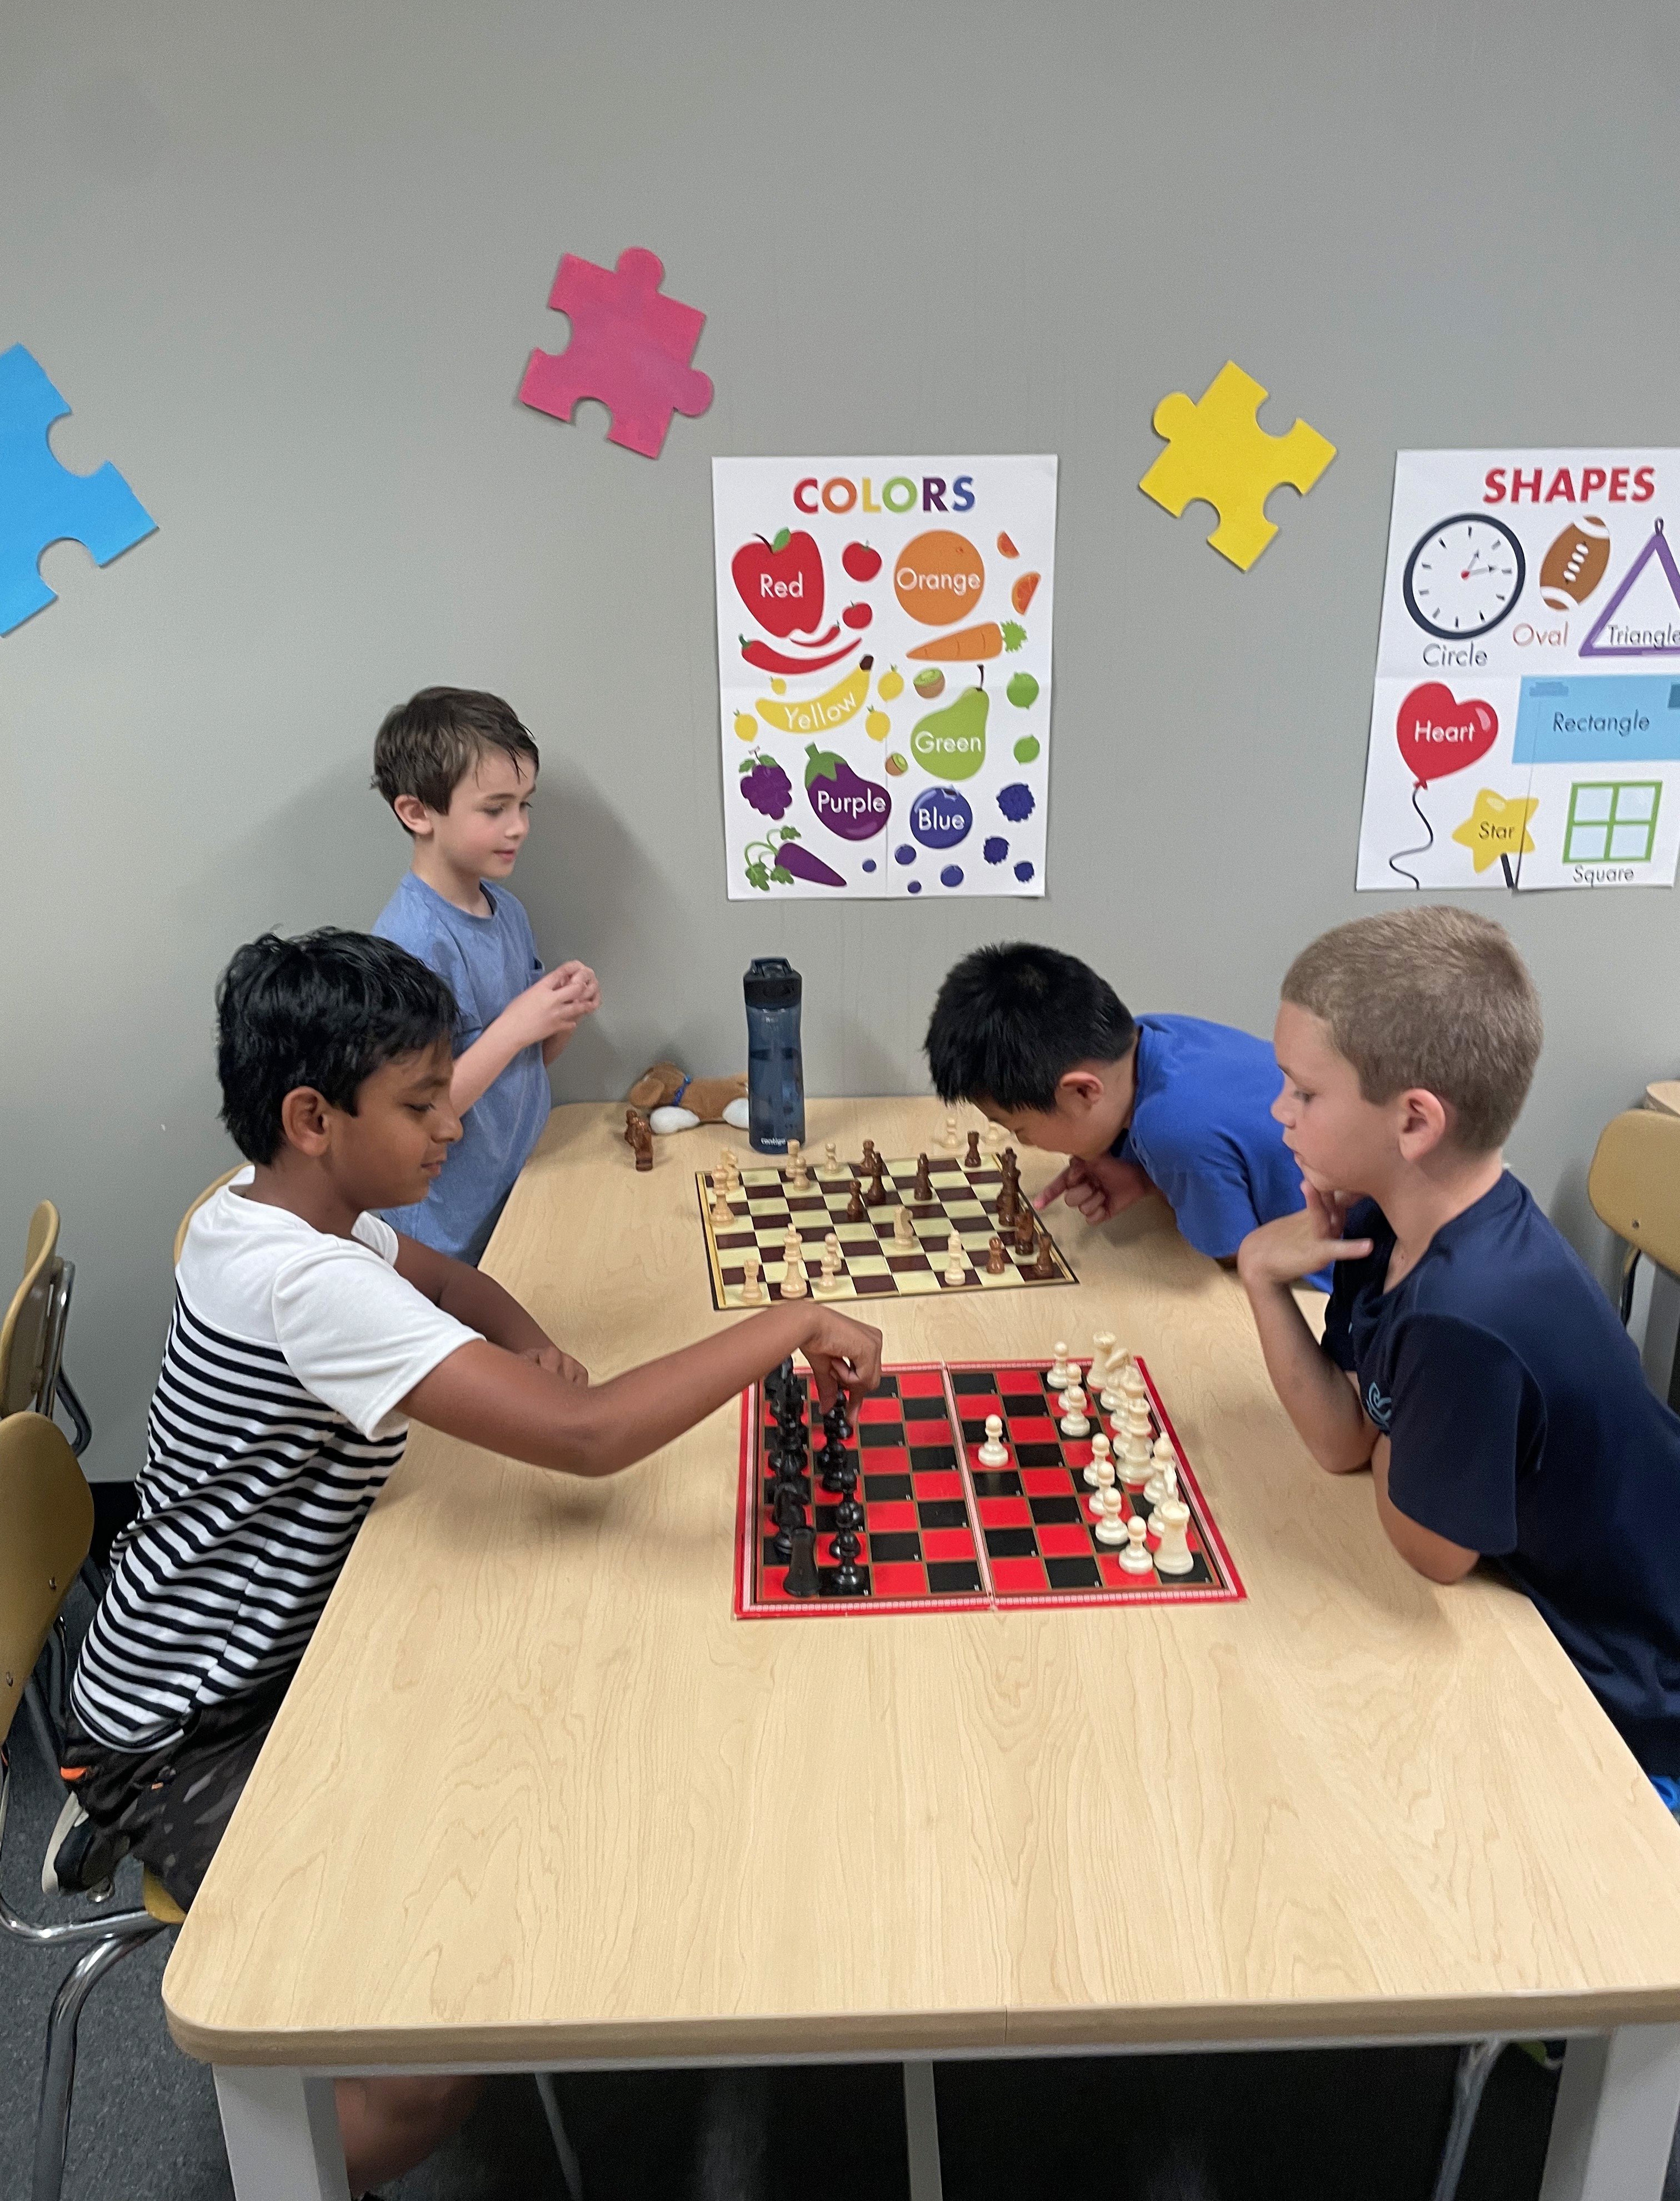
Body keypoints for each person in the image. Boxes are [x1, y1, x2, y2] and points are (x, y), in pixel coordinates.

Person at [57, 929, 881, 2197]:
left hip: (258, 1658)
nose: (453, 1126)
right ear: (313, 1117)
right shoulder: (306, 1285)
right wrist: (789, 1322)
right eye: (422, 1103)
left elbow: (451, 1278)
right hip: (183, 1730)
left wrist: (531, 1336)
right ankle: (281, 2177)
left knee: (551, 1717)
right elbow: (593, 1441)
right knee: (441, 2044)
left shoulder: (271, 1208)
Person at [1237, 906, 1680, 1785]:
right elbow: (1341, 1443)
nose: (1278, 1109)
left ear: (1415, 1123)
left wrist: (1394, 1412)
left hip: (1634, 1693)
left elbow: (1430, 1554)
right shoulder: (1390, 1223)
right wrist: (1260, 1274)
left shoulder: (1463, 1315)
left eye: (1305, 1091)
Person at [924, 941, 1326, 1283]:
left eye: (1020, 1129)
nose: (1022, 1142)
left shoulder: (1171, 1130)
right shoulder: (1155, 1032)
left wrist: (1166, 1174)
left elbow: (1235, 1254)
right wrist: (1146, 1176)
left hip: (1355, 1275)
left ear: (1082, 1090)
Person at [371, 684, 599, 1262]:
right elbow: (419, 1110)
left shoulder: (507, 910)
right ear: (417, 812)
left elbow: (528, 1065)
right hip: (444, 1238)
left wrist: (560, 1015)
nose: (518, 826)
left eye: (525, 804)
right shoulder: (410, 943)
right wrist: (520, 1024)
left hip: (517, 1196)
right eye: (495, 808)